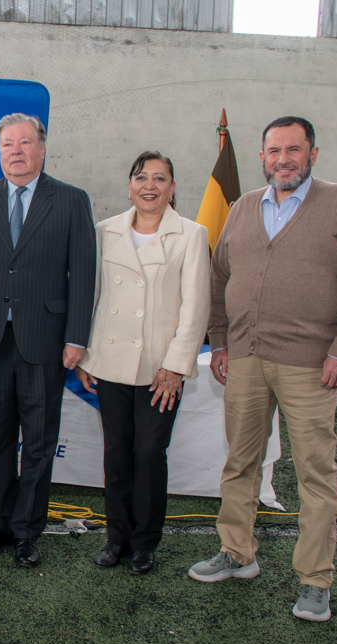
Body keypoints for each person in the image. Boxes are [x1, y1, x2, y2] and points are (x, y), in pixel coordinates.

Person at [188, 116, 337, 622]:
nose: (283, 160)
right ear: (262, 157)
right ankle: (237, 553)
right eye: (274, 151)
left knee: (316, 475)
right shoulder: (246, 206)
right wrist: (223, 340)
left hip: (312, 365)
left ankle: (315, 581)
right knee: (239, 463)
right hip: (245, 360)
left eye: (294, 150)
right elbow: (219, 275)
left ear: (313, 154)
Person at [0, 113, 96, 568]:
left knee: (38, 442)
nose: (15, 151)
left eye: (24, 143)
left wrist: (77, 337)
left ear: (42, 148)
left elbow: (83, 276)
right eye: (7, 145)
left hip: (47, 341)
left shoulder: (72, 200)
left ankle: (27, 532)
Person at [76, 151, 210, 575]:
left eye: (160, 178)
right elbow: (93, 298)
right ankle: (117, 538)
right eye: (141, 177)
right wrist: (87, 354)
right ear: (129, 185)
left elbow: (196, 308)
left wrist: (175, 365)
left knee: (150, 451)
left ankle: (145, 541)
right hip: (111, 361)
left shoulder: (191, 234)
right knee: (116, 453)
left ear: (172, 188)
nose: (149, 185)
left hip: (160, 369)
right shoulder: (104, 231)